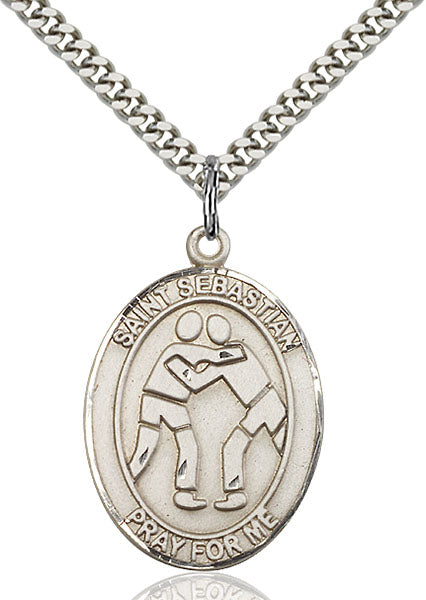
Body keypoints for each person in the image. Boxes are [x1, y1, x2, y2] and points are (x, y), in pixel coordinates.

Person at [166, 314, 287, 511]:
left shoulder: (233, 353)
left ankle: (236, 494)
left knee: (270, 445)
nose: (213, 335)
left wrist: (177, 366)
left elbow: (195, 382)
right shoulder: (237, 351)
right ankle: (235, 494)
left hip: (266, 404)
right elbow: (207, 370)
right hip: (261, 405)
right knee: (238, 446)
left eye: (214, 331)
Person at [128, 310, 246, 510]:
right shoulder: (175, 352)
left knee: (183, 445)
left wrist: (233, 354)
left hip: (171, 404)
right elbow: (195, 380)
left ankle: (182, 492)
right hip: (158, 401)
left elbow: (213, 356)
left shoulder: (184, 350)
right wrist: (225, 364)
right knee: (152, 446)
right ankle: (133, 479)